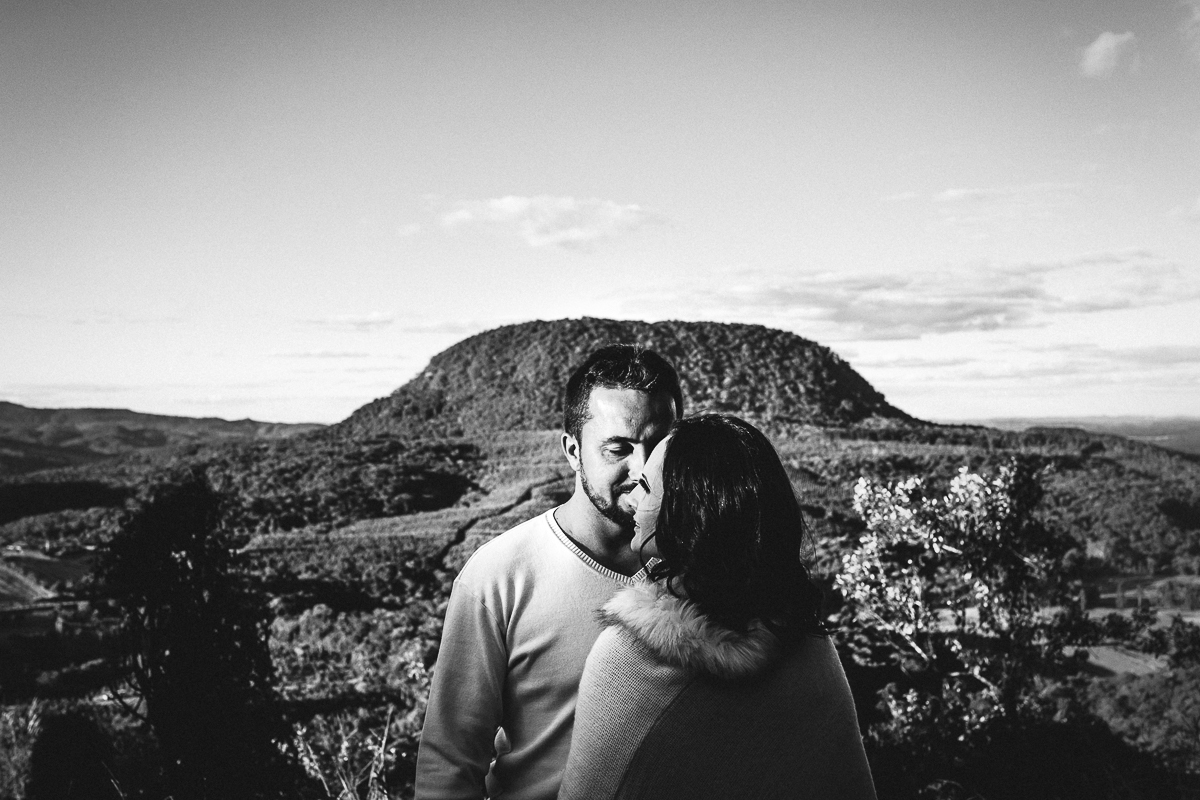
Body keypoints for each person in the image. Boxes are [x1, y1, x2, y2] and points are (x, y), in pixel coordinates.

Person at [558, 414, 877, 800]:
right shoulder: (807, 645)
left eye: (646, 487)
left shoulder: (628, 660)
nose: (635, 501)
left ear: (685, 508)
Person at [415, 345, 683, 800]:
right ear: (573, 451)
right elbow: (450, 763)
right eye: (619, 448)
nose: (644, 469)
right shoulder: (499, 576)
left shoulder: (703, 567)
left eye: (660, 446)